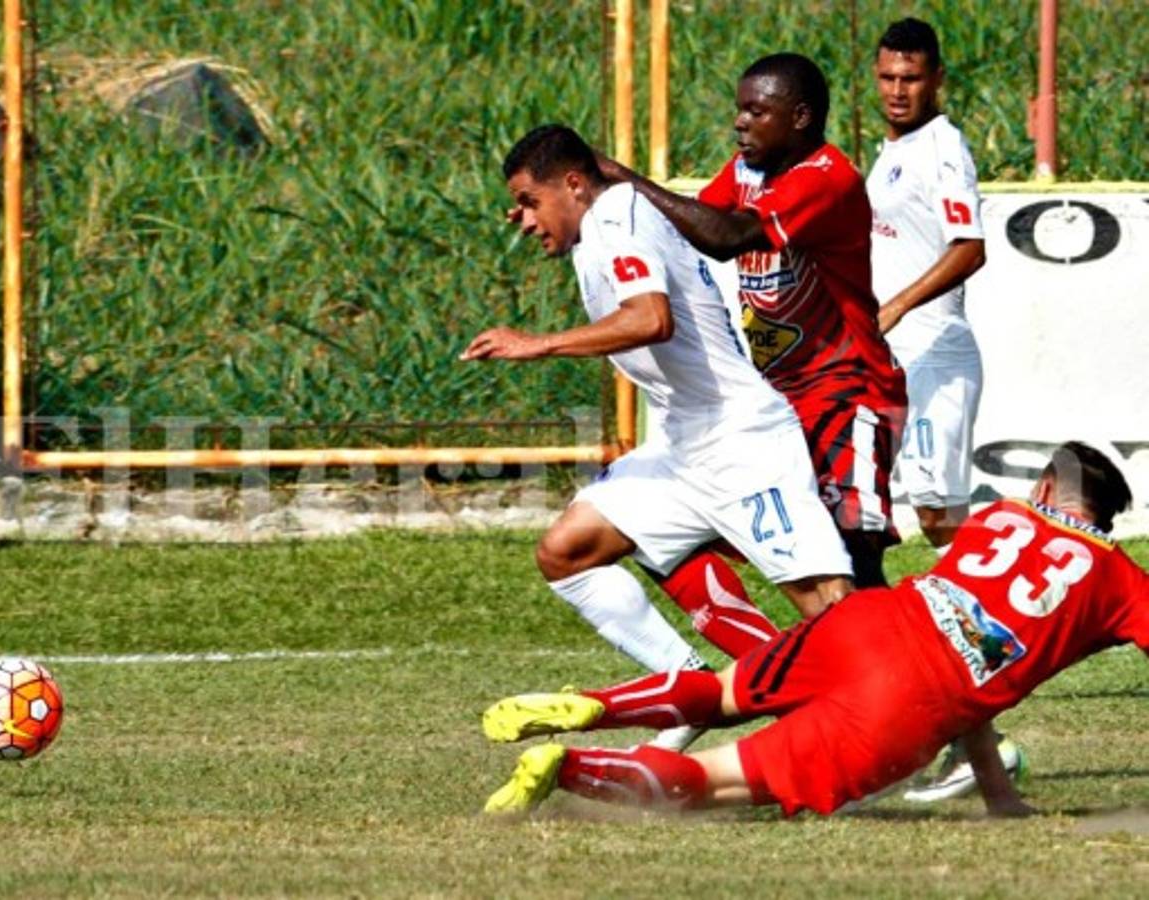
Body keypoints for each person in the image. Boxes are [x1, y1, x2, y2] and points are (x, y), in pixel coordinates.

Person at [481, 442, 1143, 819]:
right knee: (706, 781)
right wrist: (999, 798)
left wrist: (997, 792)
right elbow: (979, 660)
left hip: (867, 622)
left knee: (717, 692)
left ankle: (596, 702)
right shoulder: (1119, 581)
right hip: (911, 702)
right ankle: (571, 767)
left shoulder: (1000, 519)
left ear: (1046, 489)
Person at [463, 124, 855, 748]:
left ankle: (948, 733)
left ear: (572, 185)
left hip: (740, 442)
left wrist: (538, 344)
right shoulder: (598, 226)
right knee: (567, 552)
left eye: (531, 201)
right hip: (682, 447)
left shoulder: (617, 214)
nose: (524, 219)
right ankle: (689, 687)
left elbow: (651, 318)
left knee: (832, 609)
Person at [591, 53, 907, 666]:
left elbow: (727, 236)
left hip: (848, 393)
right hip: (777, 400)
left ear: (801, 118)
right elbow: (688, 225)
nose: (740, 122)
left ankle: (950, 715)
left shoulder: (827, 176)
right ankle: (775, 672)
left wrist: (623, 179)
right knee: (677, 530)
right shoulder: (746, 170)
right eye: (740, 108)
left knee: (853, 558)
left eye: (756, 111)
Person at [865, 17, 1002, 803]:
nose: (896, 91)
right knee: (920, 520)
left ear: (936, 80)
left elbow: (967, 247)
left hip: (933, 360)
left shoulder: (943, 146)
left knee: (939, 524)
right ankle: (970, 667)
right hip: (897, 360)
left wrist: (894, 307)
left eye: (910, 78)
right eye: (886, 77)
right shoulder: (893, 151)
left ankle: (1002, 620)